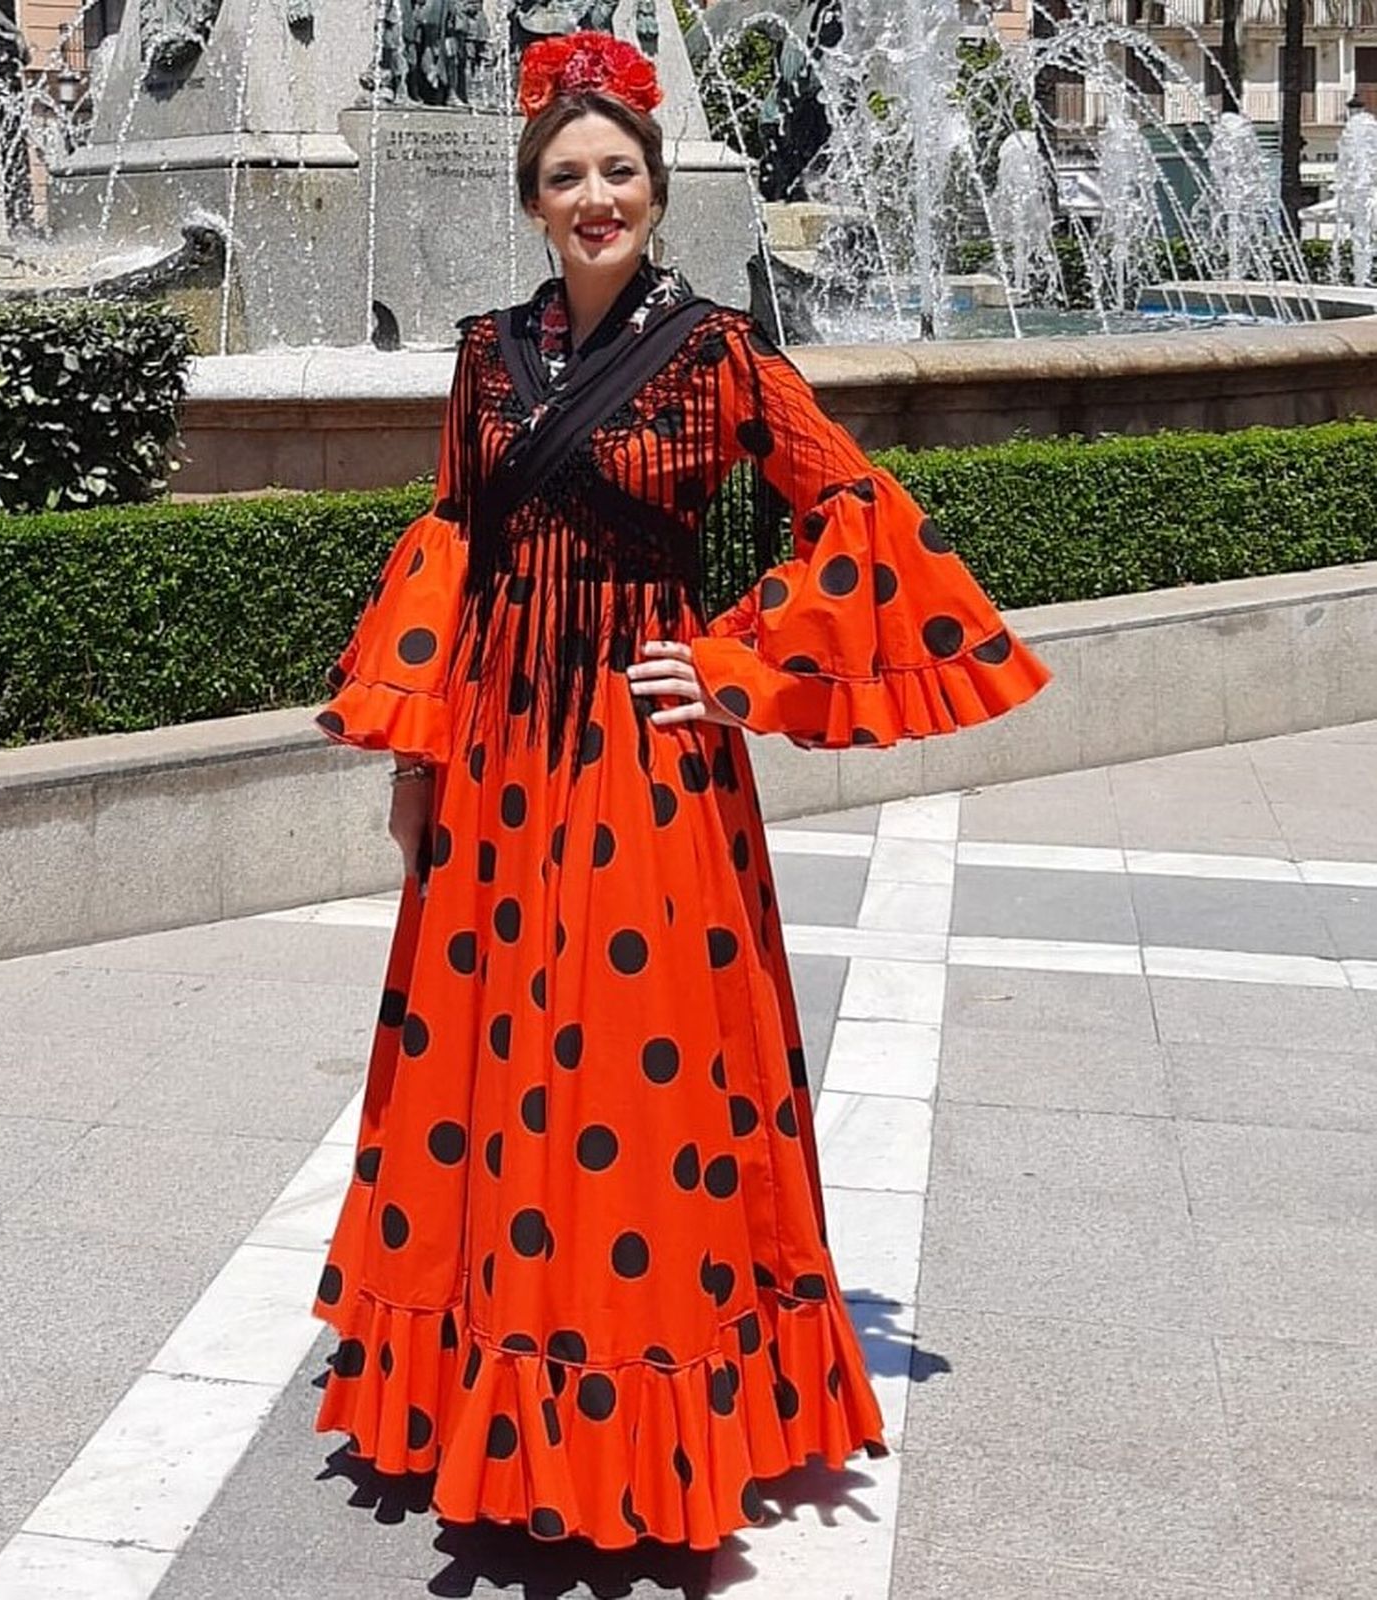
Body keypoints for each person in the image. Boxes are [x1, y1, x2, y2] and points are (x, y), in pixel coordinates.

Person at [310, 29, 1049, 1550]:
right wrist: (415, 753)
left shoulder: (718, 353)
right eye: (569, 176)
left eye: (620, 173)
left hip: (645, 765)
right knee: (496, 1058)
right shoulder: (481, 354)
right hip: (504, 751)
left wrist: (731, 658)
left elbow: (853, 508)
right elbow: (454, 542)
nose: (597, 196)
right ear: (533, 199)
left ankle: (639, 1402)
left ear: (656, 190)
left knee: (632, 1072)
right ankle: (482, 1397)